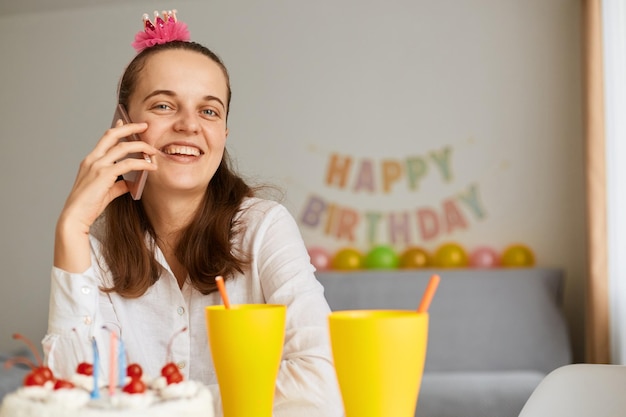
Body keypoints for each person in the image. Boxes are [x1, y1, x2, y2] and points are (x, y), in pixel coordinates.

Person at [44, 10, 343, 416]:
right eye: (164, 105)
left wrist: (161, 405)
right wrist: (71, 228)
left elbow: (323, 388)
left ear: (223, 134)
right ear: (122, 124)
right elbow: (74, 401)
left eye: (209, 111)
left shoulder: (263, 228)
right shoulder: (92, 254)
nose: (189, 125)